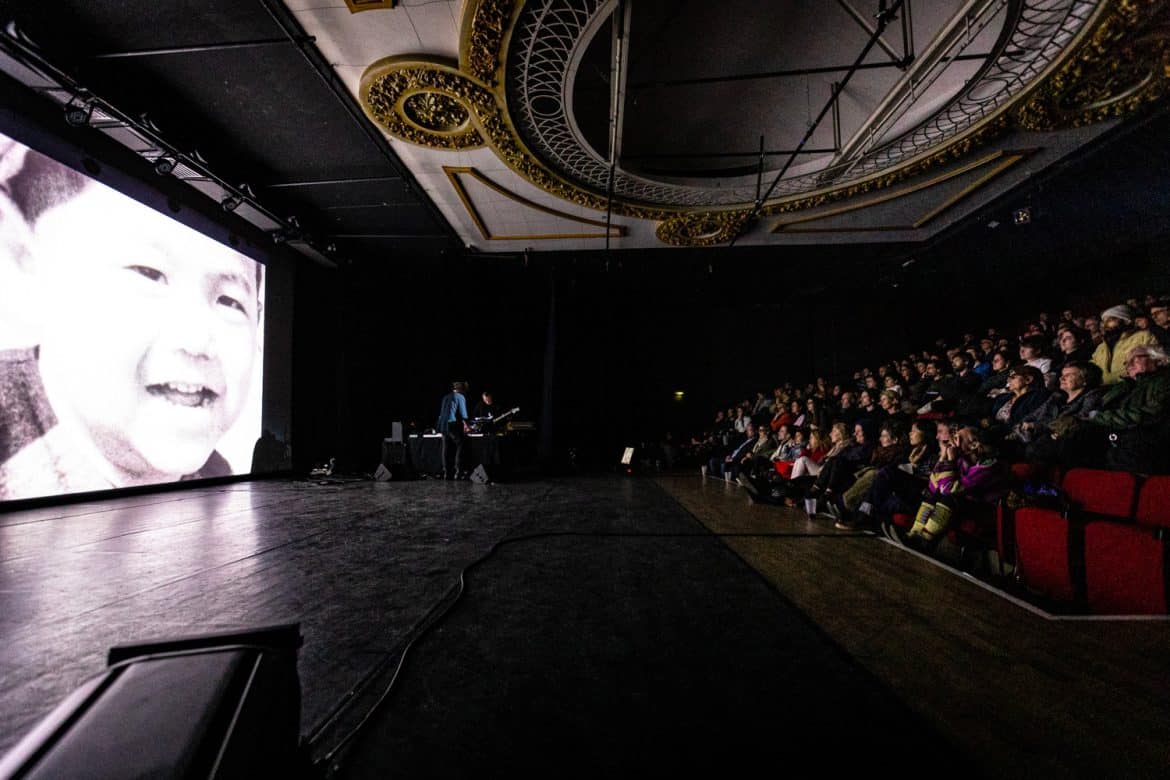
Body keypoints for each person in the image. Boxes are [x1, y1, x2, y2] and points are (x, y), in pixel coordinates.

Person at [0, 138, 264, 500]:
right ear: (27, 268)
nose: (197, 338)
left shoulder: (218, 487)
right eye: (148, 273)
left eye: (230, 301)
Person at [436, 380, 470, 479]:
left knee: (446, 448)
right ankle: (458, 472)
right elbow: (463, 414)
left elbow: (442, 412)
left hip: (442, 424)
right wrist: (467, 425)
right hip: (452, 424)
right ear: (462, 390)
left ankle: (447, 473)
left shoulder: (446, 397)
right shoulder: (460, 397)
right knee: (461, 444)